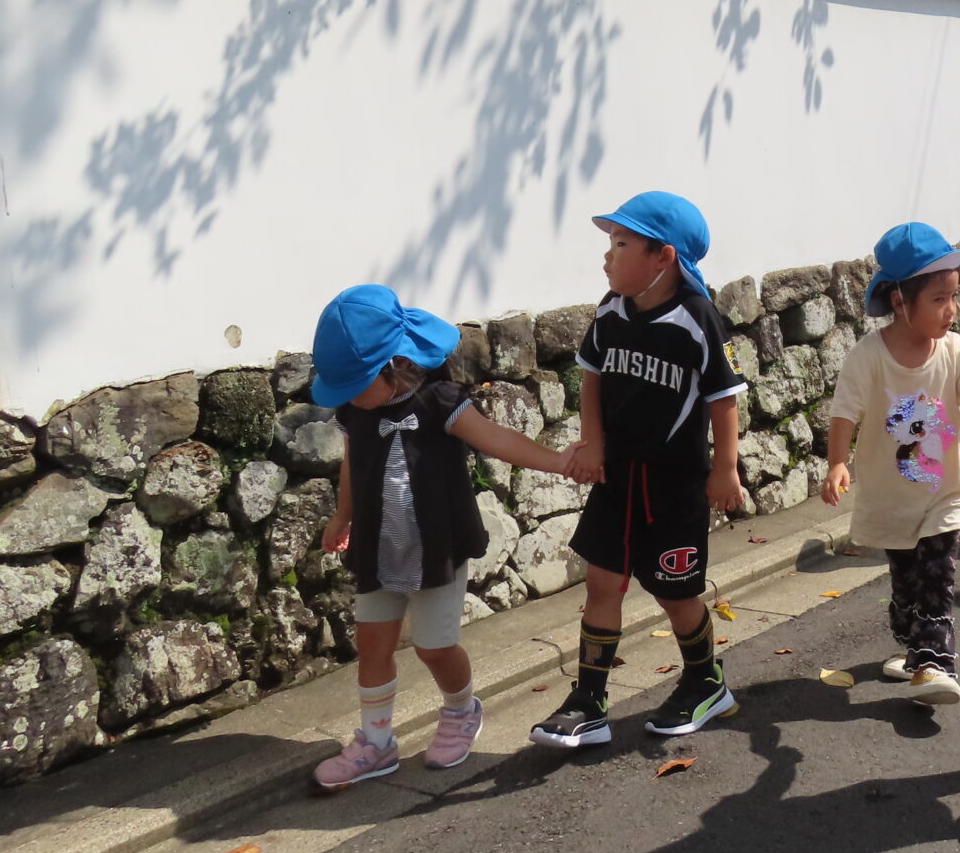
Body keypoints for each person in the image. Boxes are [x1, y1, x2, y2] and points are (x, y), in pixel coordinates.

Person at [309, 285, 574, 789]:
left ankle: (460, 710)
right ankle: (376, 742)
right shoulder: (355, 412)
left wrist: (559, 462)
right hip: (379, 546)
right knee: (372, 646)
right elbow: (350, 465)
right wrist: (342, 518)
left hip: (436, 546)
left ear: (394, 366)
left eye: (355, 383)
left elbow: (497, 439)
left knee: (434, 646)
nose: (347, 395)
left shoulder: (439, 401)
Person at [530, 192, 748, 749]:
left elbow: (723, 398)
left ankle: (706, 681)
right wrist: (592, 442)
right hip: (618, 478)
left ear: (663, 257)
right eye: (610, 243)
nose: (608, 256)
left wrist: (725, 469)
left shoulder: (696, 319)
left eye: (621, 244)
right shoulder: (610, 311)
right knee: (602, 582)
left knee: (674, 593)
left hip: (674, 485)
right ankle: (589, 701)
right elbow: (591, 378)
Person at [823, 223, 960, 706]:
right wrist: (837, 464)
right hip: (891, 499)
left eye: (954, 296)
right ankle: (913, 644)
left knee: (937, 575)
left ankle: (935, 662)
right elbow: (844, 413)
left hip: (945, 493)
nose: (951, 309)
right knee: (907, 586)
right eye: (939, 299)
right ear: (900, 302)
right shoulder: (868, 356)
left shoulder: (955, 350)